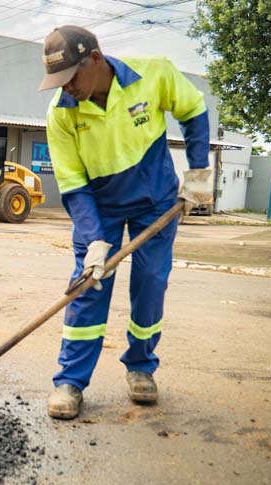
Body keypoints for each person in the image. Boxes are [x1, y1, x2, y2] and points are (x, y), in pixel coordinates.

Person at [38, 26, 212, 419]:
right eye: (58, 82)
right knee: (88, 287)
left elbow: (194, 109)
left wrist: (199, 175)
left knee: (151, 282)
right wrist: (94, 240)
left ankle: (140, 367)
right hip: (100, 206)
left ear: (95, 60)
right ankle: (70, 380)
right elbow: (72, 185)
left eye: (70, 78)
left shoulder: (153, 74)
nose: (65, 89)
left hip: (156, 201)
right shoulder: (61, 113)